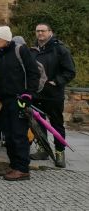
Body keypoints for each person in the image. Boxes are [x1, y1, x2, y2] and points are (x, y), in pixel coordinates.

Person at [0, 26, 40, 181]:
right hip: (4, 99)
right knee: (8, 135)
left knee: (18, 134)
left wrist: (28, 94)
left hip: (19, 99)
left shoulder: (20, 50)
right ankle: (13, 165)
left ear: (5, 39)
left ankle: (22, 169)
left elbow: (33, 72)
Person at [30, 23, 76, 168]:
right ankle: (43, 149)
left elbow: (70, 71)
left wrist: (56, 82)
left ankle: (60, 152)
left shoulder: (60, 49)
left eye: (43, 31)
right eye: (38, 31)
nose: (40, 33)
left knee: (56, 124)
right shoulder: (33, 50)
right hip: (37, 94)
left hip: (53, 94)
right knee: (37, 123)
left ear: (50, 32)